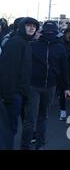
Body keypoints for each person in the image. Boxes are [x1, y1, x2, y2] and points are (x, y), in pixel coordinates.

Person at [21, 21, 70, 150]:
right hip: (33, 86)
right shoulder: (32, 45)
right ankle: (25, 147)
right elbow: (25, 66)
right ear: (43, 32)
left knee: (43, 118)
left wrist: (66, 87)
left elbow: (64, 68)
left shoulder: (60, 47)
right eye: (47, 32)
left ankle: (40, 145)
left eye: (52, 32)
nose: (50, 34)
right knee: (30, 119)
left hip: (51, 86)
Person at [0, 17, 39, 149]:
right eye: (28, 25)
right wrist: (8, 95)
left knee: (10, 127)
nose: (32, 28)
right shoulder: (16, 43)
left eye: (34, 26)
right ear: (22, 27)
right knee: (9, 128)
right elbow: (8, 70)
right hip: (13, 93)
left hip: (20, 92)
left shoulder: (25, 42)